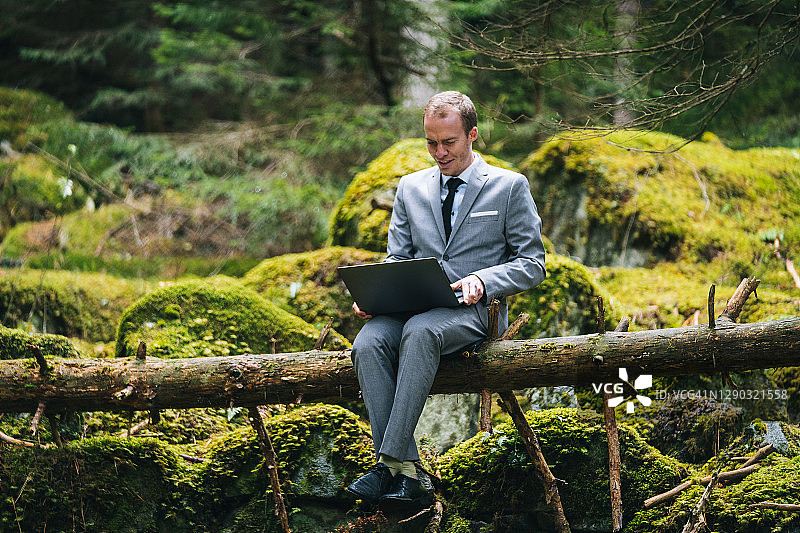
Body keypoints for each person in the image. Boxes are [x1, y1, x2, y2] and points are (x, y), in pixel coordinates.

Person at [346, 91, 546, 506]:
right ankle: (409, 471)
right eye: (431, 143)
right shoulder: (409, 187)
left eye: (449, 143)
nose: (439, 152)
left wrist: (484, 279)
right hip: (412, 305)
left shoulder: (509, 187)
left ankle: (387, 464)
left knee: (420, 331)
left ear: (472, 135)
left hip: (473, 314)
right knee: (367, 342)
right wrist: (376, 297)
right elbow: (397, 258)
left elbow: (532, 263)